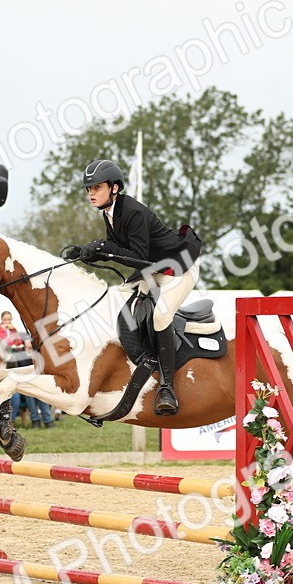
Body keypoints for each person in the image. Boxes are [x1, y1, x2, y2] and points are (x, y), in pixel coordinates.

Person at [61, 159, 202, 416]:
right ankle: (141, 360)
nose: (91, 193)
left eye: (97, 187)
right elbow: (119, 250)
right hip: (152, 269)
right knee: (115, 299)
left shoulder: (133, 211)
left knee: (160, 316)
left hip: (178, 267)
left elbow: (135, 255)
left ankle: (168, 387)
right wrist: (85, 250)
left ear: (114, 188)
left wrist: (102, 249)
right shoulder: (110, 212)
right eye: (88, 189)